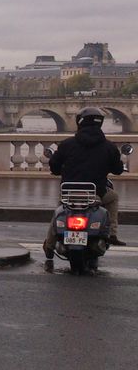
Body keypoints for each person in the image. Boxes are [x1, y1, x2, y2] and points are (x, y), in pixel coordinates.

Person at [42, 107, 126, 268]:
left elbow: (54, 166)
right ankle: (113, 234)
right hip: (96, 193)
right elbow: (117, 169)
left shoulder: (67, 144)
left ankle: (49, 245)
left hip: (69, 193)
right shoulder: (109, 147)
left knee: (60, 210)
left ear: (80, 122)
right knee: (113, 197)